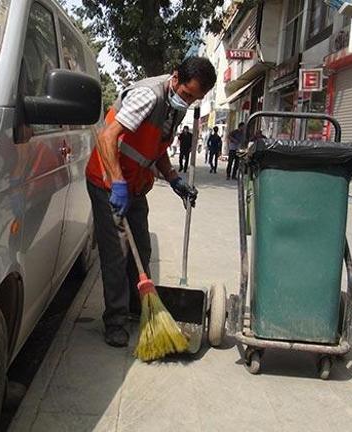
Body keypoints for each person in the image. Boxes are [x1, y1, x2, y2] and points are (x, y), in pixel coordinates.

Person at [86, 56, 216, 347]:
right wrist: (117, 183)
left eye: (196, 99)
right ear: (174, 78)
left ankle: (137, 307)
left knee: (141, 249)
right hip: (108, 181)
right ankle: (115, 321)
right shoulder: (148, 96)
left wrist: (172, 178)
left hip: (134, 184)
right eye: (187, 94)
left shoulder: (176, 106)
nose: (189, 102)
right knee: (117, 253)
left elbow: (156, 147)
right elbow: (108, 138)